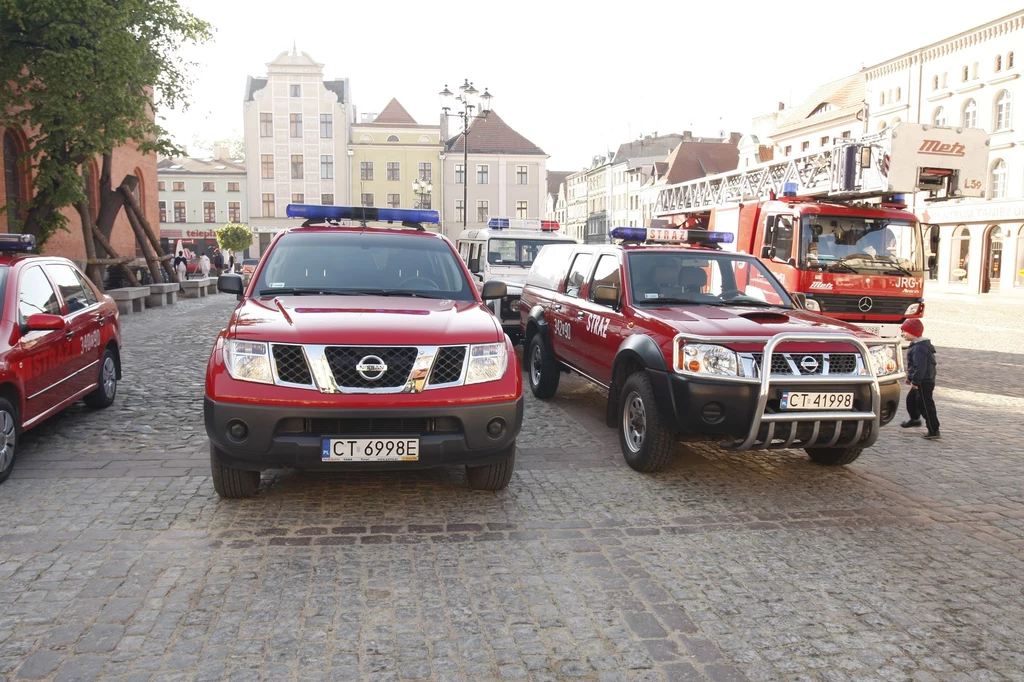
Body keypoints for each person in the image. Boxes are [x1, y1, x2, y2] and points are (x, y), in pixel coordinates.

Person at [900, 318, 940, 440]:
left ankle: (933, 430)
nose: (903, 334)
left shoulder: (919, 348)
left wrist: (916, 381)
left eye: (905, 331)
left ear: (914, 332)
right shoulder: (917, 346)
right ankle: (915, 419)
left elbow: (920, 366)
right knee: (911, 400)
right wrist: (911, 378)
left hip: (923, 381)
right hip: (921, 379)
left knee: (925, 405)